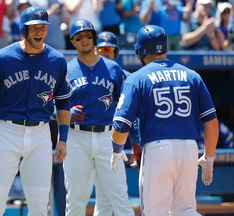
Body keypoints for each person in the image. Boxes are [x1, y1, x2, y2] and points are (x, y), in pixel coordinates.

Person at [0, 6, 71, 215]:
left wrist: (63, 138)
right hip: (7, 131)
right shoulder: (2, 57)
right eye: (34, 28)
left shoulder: (57, 60)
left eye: (43, 27)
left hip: (40, 133)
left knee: (40, 204)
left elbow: (63, 103)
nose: (40, 32)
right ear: (24, 29)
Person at [110, 25, 219, 215]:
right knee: (185, 209)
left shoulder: (137, 78)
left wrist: (116, 150)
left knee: (155, 211)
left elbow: (120, 125)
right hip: (189, 149)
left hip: (158, 149)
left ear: (140, 51)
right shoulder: (192, 75)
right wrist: (209, 157)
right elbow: (211, 121)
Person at [63, 19, 134, 216]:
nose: (84, 40)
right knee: (76, 199)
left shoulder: (113, 68)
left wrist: (134, 142)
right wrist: (65, 115)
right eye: (79, 37)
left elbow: (125, 107)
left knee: (119, 196)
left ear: (94, 38)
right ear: (73, 41)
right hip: (76, 137)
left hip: (107, 137)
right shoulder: (65, 69)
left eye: (88, 35)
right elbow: (50, 106)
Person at [91, 30, 141, 215]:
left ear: (116, 52)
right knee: (99, 199)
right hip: (86, 138)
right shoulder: (86, 75)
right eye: (101, 48)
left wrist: (136, 143)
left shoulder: (126, 77)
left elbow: (133, 116)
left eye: (109, 49)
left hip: (112, 141)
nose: (105, 52)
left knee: (116, 197)